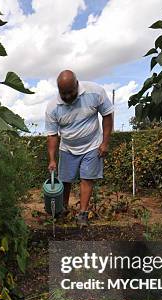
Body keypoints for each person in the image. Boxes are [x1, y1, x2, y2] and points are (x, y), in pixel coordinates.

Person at [45, 70, 114, 227]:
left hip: (92, 145)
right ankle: (62, 211)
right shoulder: (52, 107)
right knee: (65, 181)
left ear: (77, 84)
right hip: (67, 148)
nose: (68, 96)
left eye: (70, 92)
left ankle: (82, 214)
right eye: (64, 93)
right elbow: (52, 135)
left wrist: (105, 143)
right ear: (58, 90)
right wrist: (52, 159)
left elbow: (107, 115)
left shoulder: (95, 92)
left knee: (87, 178)